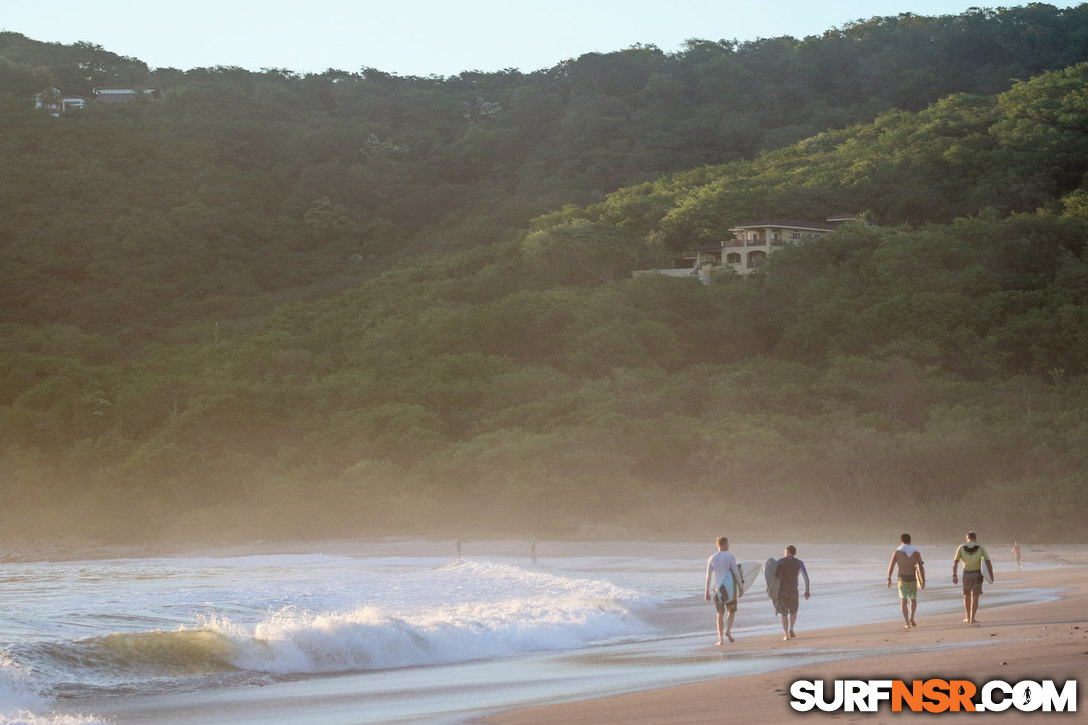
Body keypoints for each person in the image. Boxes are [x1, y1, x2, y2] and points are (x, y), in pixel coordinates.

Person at [705, 536, 742, 645]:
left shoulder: (712, 558)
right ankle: (728, 631)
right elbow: (736, 572)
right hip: (730, 588)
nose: (729, 545)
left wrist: (706, 591)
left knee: (719, 614)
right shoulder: (730, 557)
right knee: (731, 611)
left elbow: (708, 576)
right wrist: (741, 587)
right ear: (724, 544)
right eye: (728, 543)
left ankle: (720, 639)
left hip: (718, 589)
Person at [952, 531, 993, 624]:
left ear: (967, 539)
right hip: (978, 574)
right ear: (975, 539)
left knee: (966, 595)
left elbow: (955, 562)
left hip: (966, 574)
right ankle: (972, 618)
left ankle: (967, 617)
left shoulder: (961, 547)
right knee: (975, 596)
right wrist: (991, 574)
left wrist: (954, 575)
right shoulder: (981, 547)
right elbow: (988, 562)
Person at [887, 533, 925, 629]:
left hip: (902, 578)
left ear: (901, 541)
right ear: (910, 541)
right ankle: (912, 617)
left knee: (903, 601)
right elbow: (921, 567)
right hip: (912, 578)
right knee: (913, 599)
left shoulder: (897, 552)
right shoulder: (916, 553)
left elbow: (891, 566)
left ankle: (907, 622)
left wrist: (889, 578)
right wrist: (923, 581)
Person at [774, 545, 810, 640]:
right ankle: (791, 628)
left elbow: (772, 577)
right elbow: (805, 577)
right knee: (794, 611)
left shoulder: (780, 561)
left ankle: (786, 634)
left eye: (785, 551)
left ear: (788, 552)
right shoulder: (799, 562)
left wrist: (770, 590)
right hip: (794, 590)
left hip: (782, 591)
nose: (784, 553)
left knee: (784, 613)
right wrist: (807, 590)